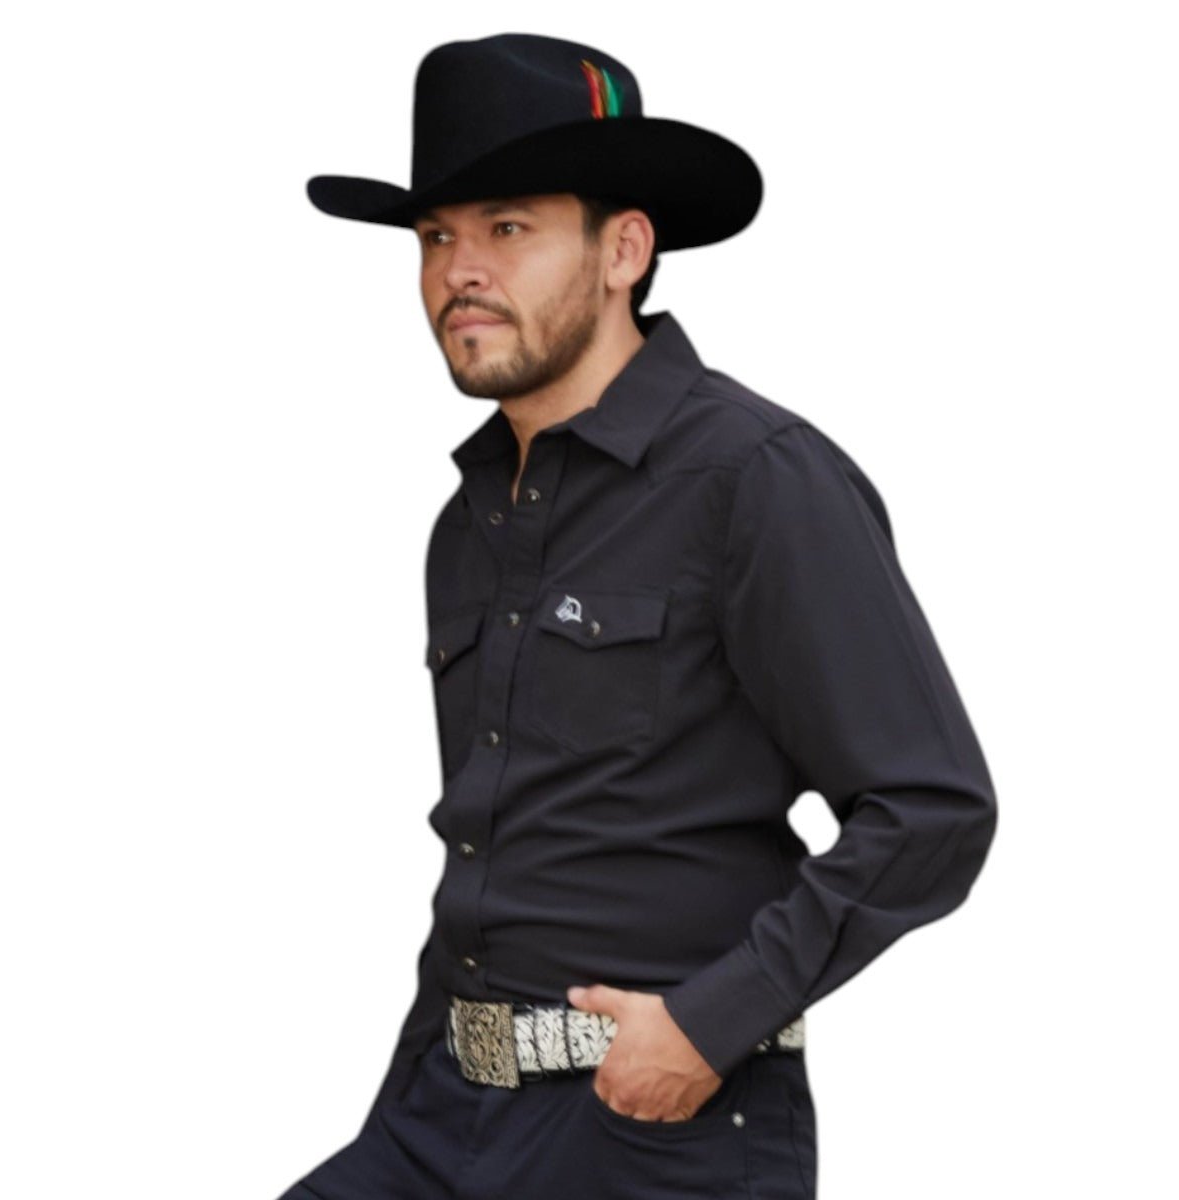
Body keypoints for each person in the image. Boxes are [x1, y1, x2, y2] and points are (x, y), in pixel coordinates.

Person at [278, 31, 998, 1200]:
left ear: (624, 250)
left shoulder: (755, 478)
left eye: (508, 227)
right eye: (435, 237)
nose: (460, 270)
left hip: (654, 1136)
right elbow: (498, 851)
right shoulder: (469, 523)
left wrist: (713, 1023)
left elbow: (933, 808)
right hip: (440, 1109)